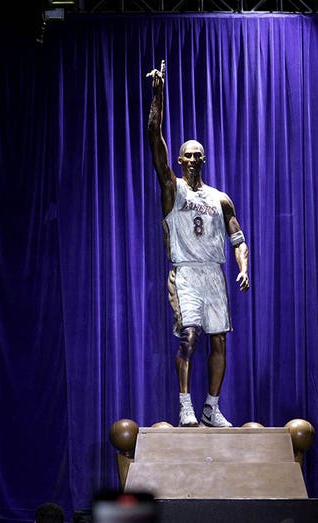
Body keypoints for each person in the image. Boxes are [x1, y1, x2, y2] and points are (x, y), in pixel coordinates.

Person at [146, 60, 250, 427]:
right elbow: (154, 134)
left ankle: (211, 407)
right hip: (186, 273)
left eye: (196, 154)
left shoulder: (220, 198)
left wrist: (243, 268)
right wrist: (158, 96)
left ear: (204, 159)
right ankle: (185, 405)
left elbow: (238, 237)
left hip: (214, 274)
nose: (191, 158)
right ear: (178, 160)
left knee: (220, 341)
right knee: (189, 336)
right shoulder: (171, 189)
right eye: (185, 154)